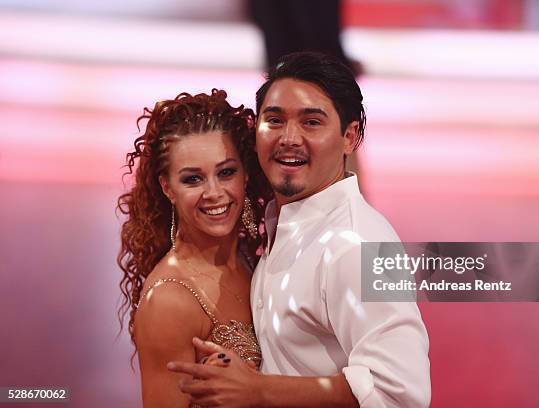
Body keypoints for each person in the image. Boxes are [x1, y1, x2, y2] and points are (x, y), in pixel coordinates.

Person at [168, 52, 431, 407]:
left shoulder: (361, 245)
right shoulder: (284, 222)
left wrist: (258, 391)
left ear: (349, 137)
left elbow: (401, 392)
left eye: (311, 123)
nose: (288, 138)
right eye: (274, 120)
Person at [117, 90, 272, 407]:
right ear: (167, 187)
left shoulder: (253, 257)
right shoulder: (169, 299)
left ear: (245, 175)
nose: (214, 193)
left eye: (226, 172)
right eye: (193, 179)